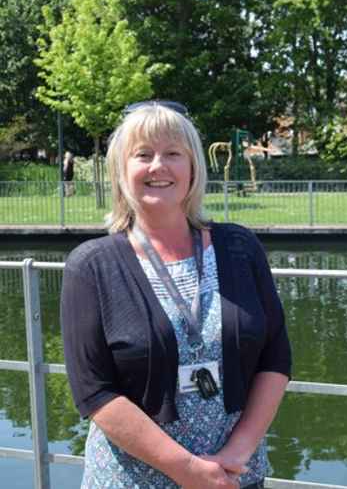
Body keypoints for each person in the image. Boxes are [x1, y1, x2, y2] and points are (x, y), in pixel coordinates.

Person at [61, 101, 291, 489]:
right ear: (121, 170)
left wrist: (237, 453)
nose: (158, 166)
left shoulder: (240, 247)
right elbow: (95, 391)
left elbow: (276, 354)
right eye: (143, 154)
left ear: (193, 167)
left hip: (235, 478)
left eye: (173, 154)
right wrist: (186, 470)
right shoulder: (91, 266)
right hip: (132, 482)